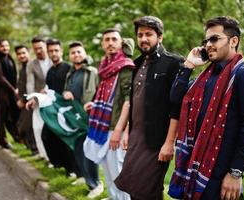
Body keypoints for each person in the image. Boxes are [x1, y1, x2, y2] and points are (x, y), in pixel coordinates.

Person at [168, 16, 244, 200]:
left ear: (233, 41)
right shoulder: (203, 79)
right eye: (205, 41)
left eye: (215, 39)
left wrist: (236, 172)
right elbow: (175, 100)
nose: (208, 45)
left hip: (221, 175)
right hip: (195, 168)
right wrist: (189, 65)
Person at [114, 16, 184, 200]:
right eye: (140, 35)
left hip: (157, 140)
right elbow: (134, 100)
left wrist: (170, 142)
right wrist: (127, 131)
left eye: (149, 34)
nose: (143, 39)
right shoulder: (135, 64)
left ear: (160, 37)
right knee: (133, 187)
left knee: (147, 189)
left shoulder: (174, 63)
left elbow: (177, 107)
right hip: (136, 136)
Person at [83, 28, 135, 200]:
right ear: (103, 44)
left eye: (114, 39)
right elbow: (105, 95)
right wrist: (96, 104)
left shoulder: (126, 67)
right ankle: (114, 197)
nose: (110, 42)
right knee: (107, 167)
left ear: (121, 43)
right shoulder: (104, 66)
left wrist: (121, 130)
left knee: (118, 170)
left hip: (116, 127)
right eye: (107, 39)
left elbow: (129, 100)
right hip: (103, 124)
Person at [27, 39, 82, 178]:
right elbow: (48, 89)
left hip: (67, 110)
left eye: (56, 50)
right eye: (51, 51)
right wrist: (37, 96)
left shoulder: (68, 68)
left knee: (67, 142)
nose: (53, 53)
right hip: (54, 111)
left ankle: (74, 171)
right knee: (46, 136)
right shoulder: (50, 71)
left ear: (61, 51)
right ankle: (63, 166)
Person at [62, 41, 102, 198]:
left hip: (90, 118)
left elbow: (100, 91)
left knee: (90, 152)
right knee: (78, 150)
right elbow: (67, 90)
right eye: (73, 53)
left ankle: (96, 184)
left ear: (84, 54)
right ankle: (86, 178)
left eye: (79, 52)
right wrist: (66, 93)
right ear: (70, 56)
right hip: (75, 118)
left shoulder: (92, 71)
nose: (76, 55)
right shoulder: (70, 73)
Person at [0, 39, 20, 149]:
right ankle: (3, 141)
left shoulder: (9, 58)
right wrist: (13, 89)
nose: (6, 48)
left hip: (12, 93)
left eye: (7, 46)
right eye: (3, 46)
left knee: (11, 116)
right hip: (2, 94)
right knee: (1, 118)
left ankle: (17, 137)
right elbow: (0, 78)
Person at [26, 36, 52, 160]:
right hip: (38, 101)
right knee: (38, 128)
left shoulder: (53, 60)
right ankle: (44, 154)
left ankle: (53, 156)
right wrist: (31, 97)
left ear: (45, 47)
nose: (38, 51)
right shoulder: (31, 64)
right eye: (35, 49)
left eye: (40, 48)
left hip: (53, 101)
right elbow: (30, 83)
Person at [15, 45, 38, 155]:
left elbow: (31, 85)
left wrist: (23, 100)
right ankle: (31, 147)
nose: (21, 55)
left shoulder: (31, 66)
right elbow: (22, 85)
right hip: (24, 101)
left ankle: (34, 148)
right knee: (22, 126)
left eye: (23, 53)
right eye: (19, 54)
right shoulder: (22, 68)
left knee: (26, 126)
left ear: (28, 53)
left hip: (31, 100)